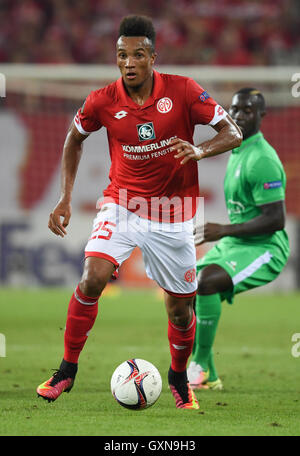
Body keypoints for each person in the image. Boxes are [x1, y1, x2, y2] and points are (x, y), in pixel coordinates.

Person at [36, 15, 242, 409]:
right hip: (122, 204)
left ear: (152, 57)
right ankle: (66, 370)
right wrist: (65, 198)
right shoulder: (102, 100)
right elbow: (73, 139)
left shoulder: (183, 91)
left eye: (137, 55)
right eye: (121, 55)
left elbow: (233, 131)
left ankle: (179, 377)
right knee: (93, 277)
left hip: (173, 213)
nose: (128, 62)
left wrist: (199, 150)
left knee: (181, 311)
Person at [187, 88, 290, 391]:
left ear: (262, 115)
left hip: (266, 247)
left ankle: (200, 367)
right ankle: (209, 374)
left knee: (206, 282)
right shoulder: (237, 149)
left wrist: (223, 230)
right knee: (188, 288)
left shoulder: (262, 159)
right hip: (238, 244)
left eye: (248, 110)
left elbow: (276, 220)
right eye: (235, 109)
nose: (240, 115)